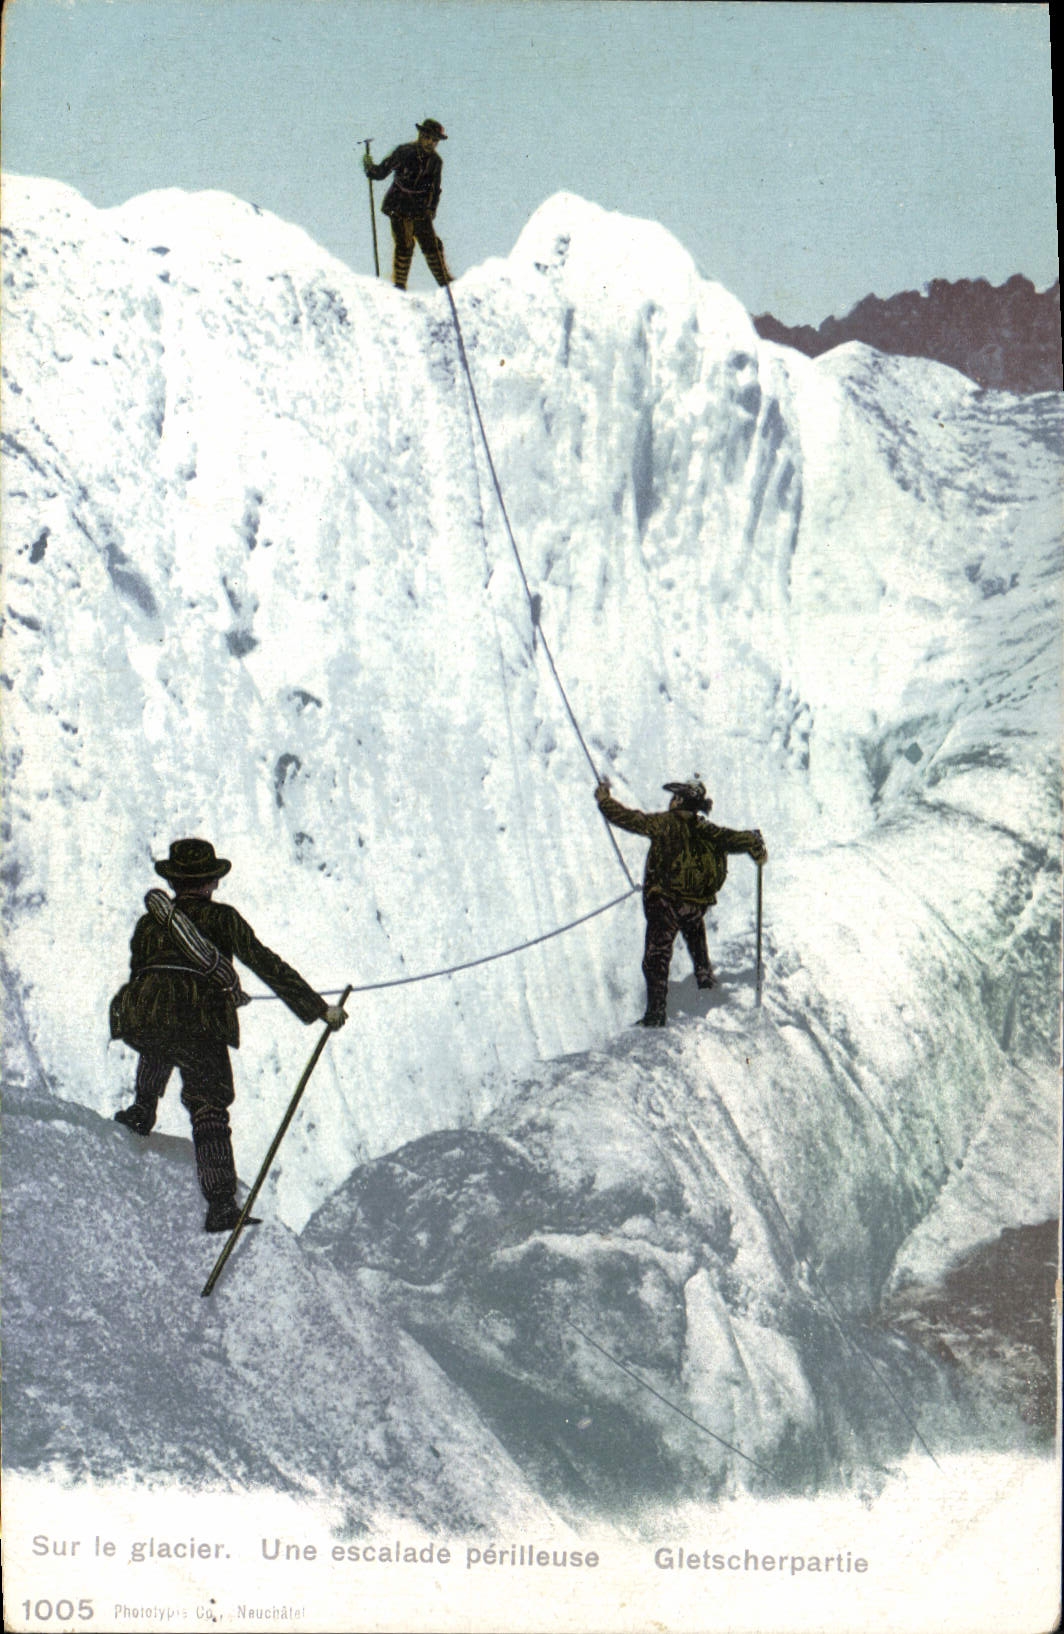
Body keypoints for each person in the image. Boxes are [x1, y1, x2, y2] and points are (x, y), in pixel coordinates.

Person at [110, 838, 347, 1232]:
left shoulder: (149, 922)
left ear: (176, 881)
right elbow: (265, 962)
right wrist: (319, 1008)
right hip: (200, 1020)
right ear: (211, 882)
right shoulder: (222, 919)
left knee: (159, 1041)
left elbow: (143, 969)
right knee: (209, 1106)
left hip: (145, 1009)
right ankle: (221, 1205)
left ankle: (142, 1110)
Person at [595, 778, 768, 1027]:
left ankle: (655, 1015)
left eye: (674, 797)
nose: (671, 800)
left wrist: (604, 800)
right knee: (695, 934)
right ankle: (705, 981)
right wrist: (755, 843)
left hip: (665, 904)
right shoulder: (705, 828)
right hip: (694, 904)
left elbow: (630, 819)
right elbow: (735, 839)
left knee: (656, 958)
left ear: (679, 800)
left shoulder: (666, 823)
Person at [363, 118, 453, 289]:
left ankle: (445, 283)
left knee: (431, 244)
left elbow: (435, 189)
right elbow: (382, 172)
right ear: (420, 135)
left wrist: (431, 209)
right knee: (405, 244)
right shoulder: (404, 152)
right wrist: (369, 168)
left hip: (420, 208)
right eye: (428, 137)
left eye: (435, 140)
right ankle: (399, 285)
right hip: (399, 204)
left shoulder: (436, 162)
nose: (431, 143)